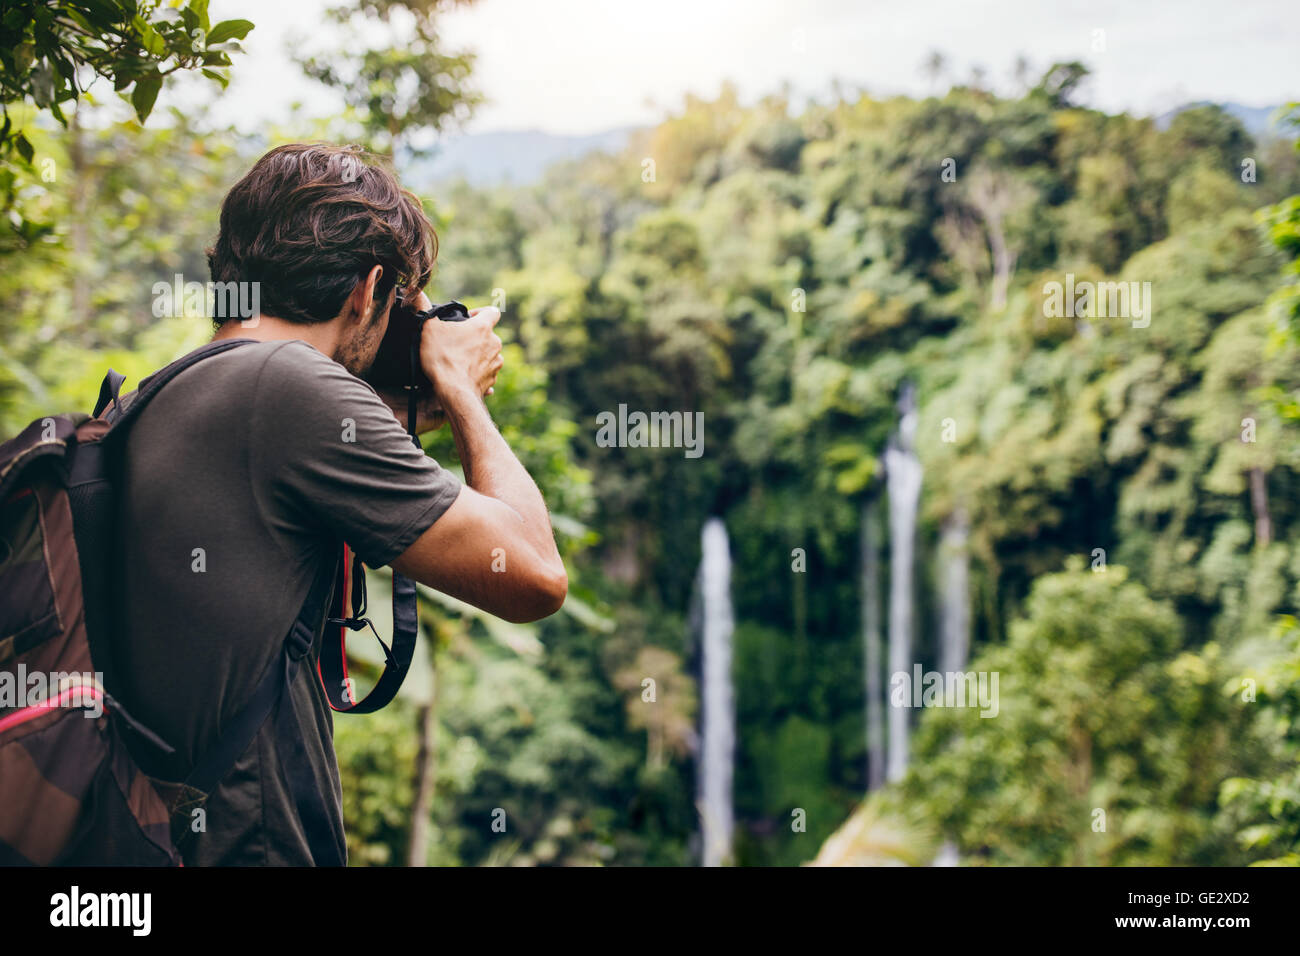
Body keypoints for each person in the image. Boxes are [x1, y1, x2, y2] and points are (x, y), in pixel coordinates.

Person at [112, 143, 567, 865]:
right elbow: (537, 575)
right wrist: (454, 383)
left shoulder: (166, 393)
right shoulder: (287, 387)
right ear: (368, 287)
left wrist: (401, 408)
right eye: (394, 304)